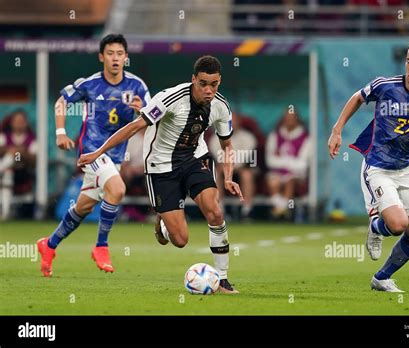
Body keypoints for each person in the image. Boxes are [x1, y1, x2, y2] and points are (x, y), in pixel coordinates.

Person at [78, 55, 243, 294]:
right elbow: (134, 126)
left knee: (214, 210)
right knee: (180, 240)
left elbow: (227, 145)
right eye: (203, 83)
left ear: (220, 81)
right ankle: (165, 222)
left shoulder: (220, 106)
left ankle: (224, 279)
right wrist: (98, 152)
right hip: (161, 166)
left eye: (214, 84)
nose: (209, 90)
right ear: (193, 79)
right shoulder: (170, 98)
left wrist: (228, 176)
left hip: (195, 159)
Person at [328, 38, 409, 292]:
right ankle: (376, 227)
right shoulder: (386, 86)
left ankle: (381, 278)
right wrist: (337, 130)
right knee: (397, 225)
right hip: (378, 166)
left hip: (407, 167)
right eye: (408, 62)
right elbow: (357, 98)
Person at [36, 34, 150, 277]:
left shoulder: (137, 86)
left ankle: (49, 245)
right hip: (92, 151)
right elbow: (61, 102)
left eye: (120, 54)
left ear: (126, 57)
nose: (115, 58)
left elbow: (153, 119)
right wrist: (60, 132)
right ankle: (101, 246)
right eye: (110, 53)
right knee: (117, 189)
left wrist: (143, 115)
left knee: (82, 208)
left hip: (115, 158)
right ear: (101, 57)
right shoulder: (89, 84)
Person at [208, 113, 258, 220]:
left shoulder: (248, 137)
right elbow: (218, 158)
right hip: (223, 170)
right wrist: (228, 167)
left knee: (247, 174)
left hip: (243, 168)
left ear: (239, 122)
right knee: (215, 172)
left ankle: (247, 211)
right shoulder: (215, 137)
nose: (231, 123)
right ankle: (220, 210)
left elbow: (245, 158)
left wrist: (231, 166)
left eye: (234, 120)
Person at [265, 109, 310, 219]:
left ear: (297, 120)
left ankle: (281, 210)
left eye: (292, 118)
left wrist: (282, 159)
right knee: (273, 181)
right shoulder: (274, 136)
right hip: (277, 173)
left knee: (290, 180)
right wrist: (291, 161)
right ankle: (281, 210)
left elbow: (302, 164)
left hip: (297, 175)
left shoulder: (306, 138)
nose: (289, 121)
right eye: (287, 118)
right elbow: (270, 160)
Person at [0, 109, 37, 219]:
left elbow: (34, 160)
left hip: (22, 172)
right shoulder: (4, 136)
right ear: (12, 123)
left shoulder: (32, 139)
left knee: (14, 157)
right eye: (16, 121)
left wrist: (20, 153)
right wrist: (11, 150)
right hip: (8, 173)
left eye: (21, 121)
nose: (19, 124)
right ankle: (5, 212)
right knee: (7, 173)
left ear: (26, 123)